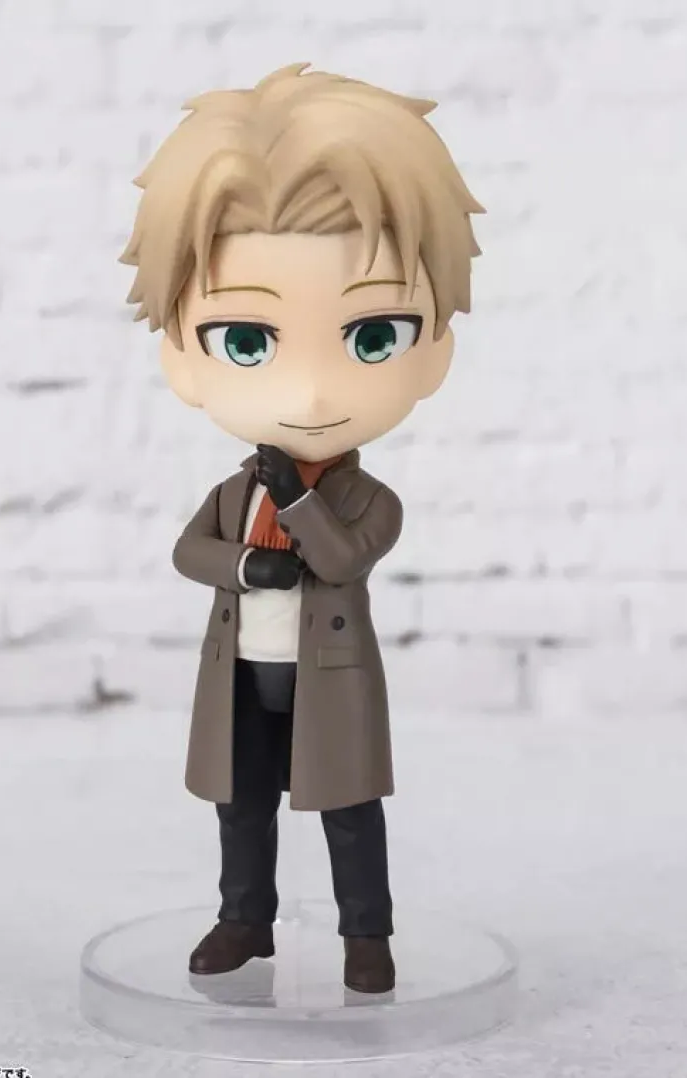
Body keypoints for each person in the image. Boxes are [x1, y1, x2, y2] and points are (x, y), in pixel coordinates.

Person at [121, 62, 484, 993]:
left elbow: (344, 557)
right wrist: (249, 565)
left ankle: (368, 936)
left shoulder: (367, 500)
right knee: (241, 808)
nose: (314, 394)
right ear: (182, 358)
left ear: (433, 353)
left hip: (330, 683)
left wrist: (295, 504)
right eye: (246, 341)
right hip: (242, 677)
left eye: (374, 337)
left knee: (348, 812)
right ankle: (245, 920)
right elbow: (189, 551)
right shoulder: (235, 488)